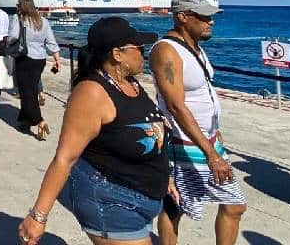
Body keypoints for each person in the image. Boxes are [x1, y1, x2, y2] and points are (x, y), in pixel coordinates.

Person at [18, 17, 176, 245]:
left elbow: (150, 132)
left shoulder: (131, 84)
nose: (145, 53)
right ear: (117, 54)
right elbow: (65, 158)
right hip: (110, 201)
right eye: (139, 48)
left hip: (142, 197)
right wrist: (38, 216)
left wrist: (164, 175)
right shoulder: (91, 93)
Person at [149, 0, 246, 245]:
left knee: (224, 204)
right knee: (178, 205)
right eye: (204, 16)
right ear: (182, 17)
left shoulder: (194, 47)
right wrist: (211, 154)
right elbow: (175, 105)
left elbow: (202, 94)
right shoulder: (166, 51)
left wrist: (215, 133)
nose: (211, 21)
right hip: (184, 143)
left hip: (207, 140)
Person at [8, 0, 61, 140]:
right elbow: (51, 41)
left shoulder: (19, 19)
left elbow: (13, 36)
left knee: (26, 92)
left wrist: (7, 42)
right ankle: (24, 122)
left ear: (21, 6)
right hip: (40, 60)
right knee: (31, 89)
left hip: (25, 58)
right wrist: (57, 58)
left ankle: (40, 121)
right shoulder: (43, 21)